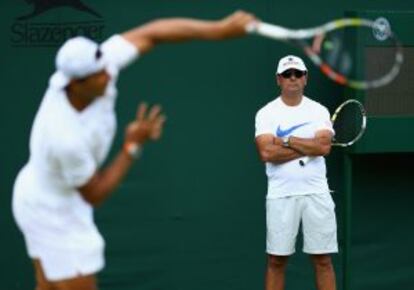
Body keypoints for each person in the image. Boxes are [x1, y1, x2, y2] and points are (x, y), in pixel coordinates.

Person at [12, 11, 256, 290]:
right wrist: (132, 145)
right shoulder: (64, 136)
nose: (109, 74)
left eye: (106, 67)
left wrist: (216, 29)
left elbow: (152, 33)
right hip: (51, 209)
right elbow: (94, 194)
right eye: (99, 75)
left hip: (43, 192)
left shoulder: (99, 67)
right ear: (75, 84)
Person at [255, 55, 337, 290]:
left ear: (305, 78)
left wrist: (286, 140)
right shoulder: (266, 113)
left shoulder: (319, 111)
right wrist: (308, 146)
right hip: (281, 195)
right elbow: (266, 153)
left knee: (323, 260)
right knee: (276, 261)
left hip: (317, 194)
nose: (293, 78)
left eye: (298, 74)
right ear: (278, 79)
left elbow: (323, 147)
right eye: (287, 74)